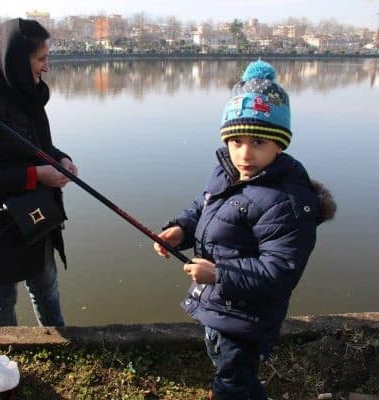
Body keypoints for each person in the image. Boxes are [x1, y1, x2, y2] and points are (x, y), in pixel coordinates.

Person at [153, 60, 335, 399]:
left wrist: (220, 274)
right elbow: (204, 207)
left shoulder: (286, 201)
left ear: (279, 144)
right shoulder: (227, 172)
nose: (244, 154)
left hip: (247, 317)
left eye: (258, 143)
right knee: (228, 365)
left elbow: (280, 270)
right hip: (220, 304)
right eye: (235, 141)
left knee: (233, 379)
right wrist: (180, 229)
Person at [0, 19, 77, 327]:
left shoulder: (27, 95)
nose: (46, 67)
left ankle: (55, 346)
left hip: (35, 213)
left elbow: (36, 146)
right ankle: (7, 354)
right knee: (2, 297)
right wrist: (37, 175)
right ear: (15, 61)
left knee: (46, 287)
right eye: (41, 59)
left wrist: (60, 159)